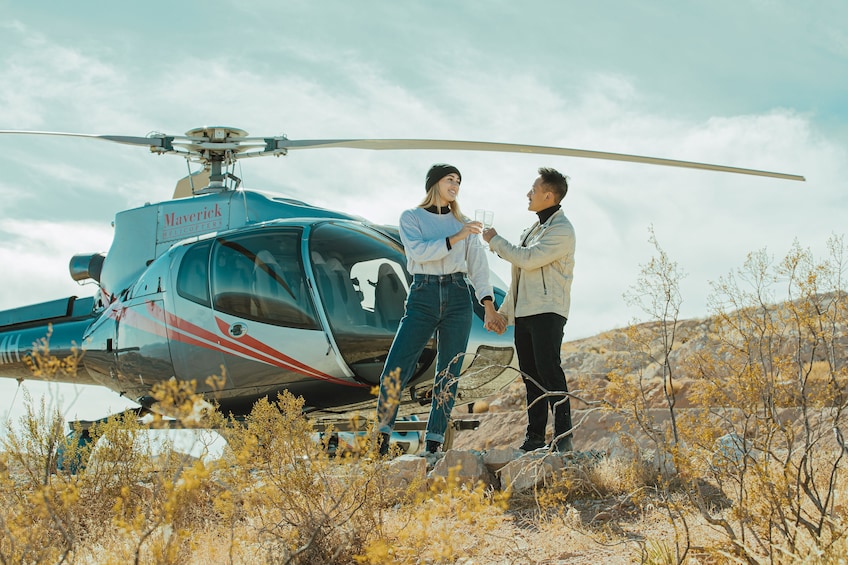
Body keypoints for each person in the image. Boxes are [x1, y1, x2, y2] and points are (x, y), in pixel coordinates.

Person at [376, 163, 504, 455]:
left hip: (459, 294)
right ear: (434, 183)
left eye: (459, 180)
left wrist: (488, 306)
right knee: (395, 367)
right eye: (450, 179)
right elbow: (419, 253)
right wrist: (458, 236)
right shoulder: (411, 217)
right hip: (423, 293)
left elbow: (478, 269)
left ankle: (434, 443)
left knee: (449, 372)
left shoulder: (466, 222)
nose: (456, 184)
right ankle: (381, 437)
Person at [482, 167, 576, 452]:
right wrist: (503, 314)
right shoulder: (532, 229)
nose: (528, 193)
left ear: (548, 196)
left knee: (549, 371)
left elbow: (529, 259)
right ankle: (534, 437)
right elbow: (518, 278)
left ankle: (563, 438)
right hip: (524, 314)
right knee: (530, 376)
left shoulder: (562, 230)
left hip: (548, 311)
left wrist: (495, 241)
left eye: (533, 190)